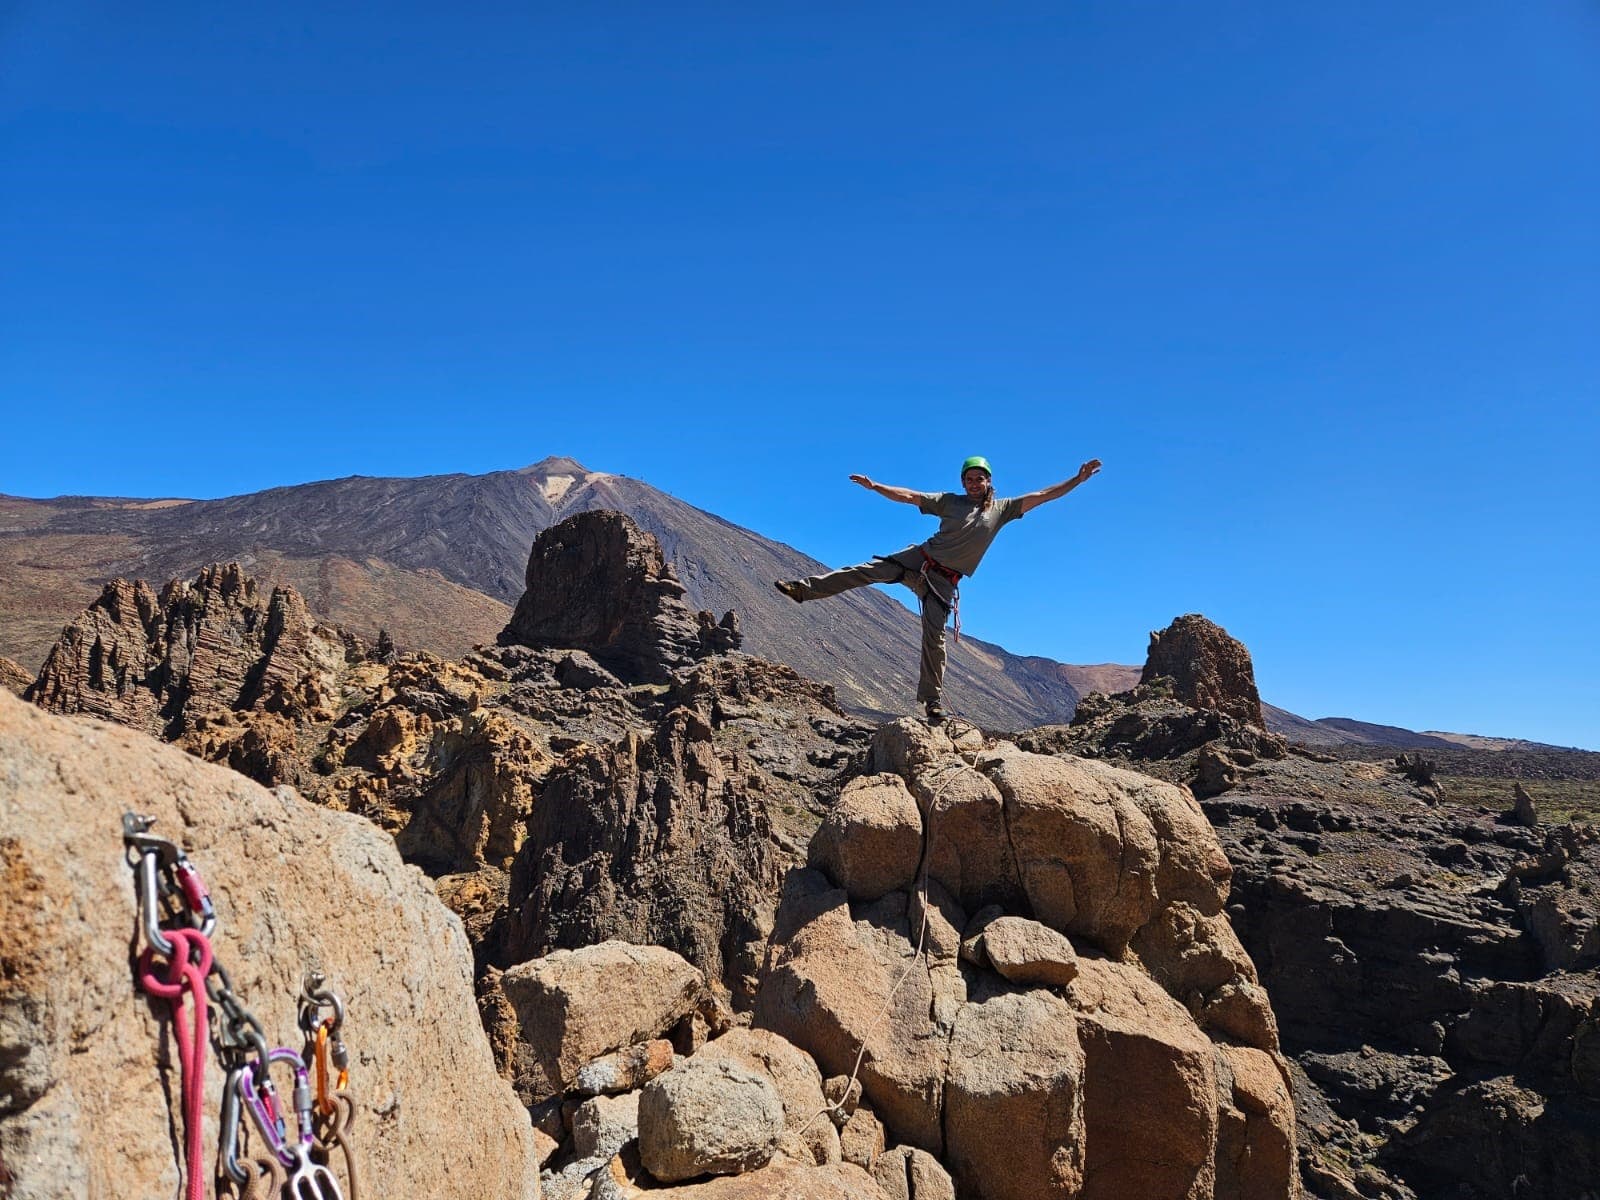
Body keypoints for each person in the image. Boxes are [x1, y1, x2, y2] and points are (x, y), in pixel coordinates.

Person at [776, 455, 1102, 723]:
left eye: (979, 479)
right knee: (866, 571)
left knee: (935, 638)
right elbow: (910, 496)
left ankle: (932, 702)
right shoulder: (949, 502)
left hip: (945, 581)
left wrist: (1077, 480)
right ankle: (802, 590)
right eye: (969, 479)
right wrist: (876, 487)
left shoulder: (1002, 510)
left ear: (989, 480)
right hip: (919, 559)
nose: (974, 484)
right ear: (963, 483)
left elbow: (1044, 495)